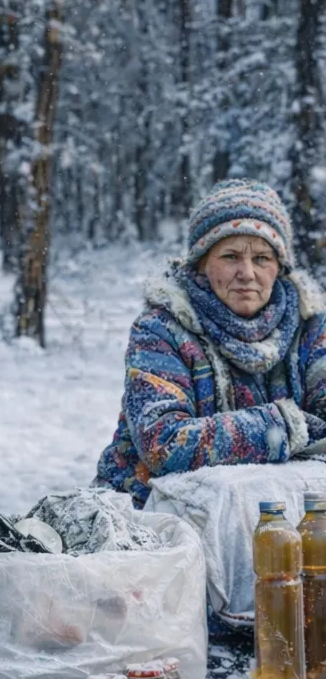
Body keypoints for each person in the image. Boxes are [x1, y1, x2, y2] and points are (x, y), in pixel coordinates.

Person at [96, 178, 326, 509]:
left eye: (261, 258)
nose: (247, 272)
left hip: (279, 511)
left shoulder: (311, 324)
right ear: (202, 263)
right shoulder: (161, 331)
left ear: (280, 267)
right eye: (231, 256)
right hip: (156, 516)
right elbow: (164, 443)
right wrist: (284, 426)